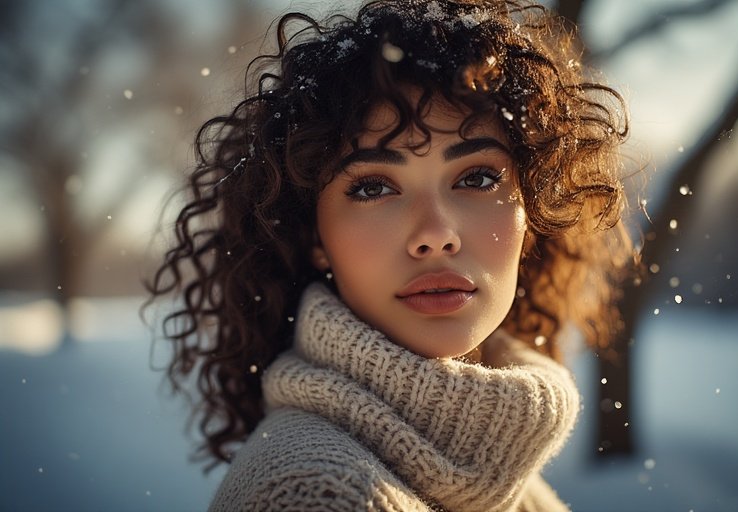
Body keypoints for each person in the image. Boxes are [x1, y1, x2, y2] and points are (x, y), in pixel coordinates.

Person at [147, 0, 636, 510]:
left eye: (476, 178)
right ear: (315, 237)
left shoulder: (509, 483)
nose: (435, 235)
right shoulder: (312, 494)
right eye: (375, 187)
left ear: (531, 216)